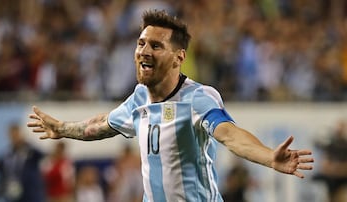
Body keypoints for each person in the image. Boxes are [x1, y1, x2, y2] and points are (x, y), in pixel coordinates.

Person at [27, 10, 314, 202]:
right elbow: (101, 125)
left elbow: (229, 134)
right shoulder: (139, 97)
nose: (144, 51)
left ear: (179, 57)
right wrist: (62, 128)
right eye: (141, 43)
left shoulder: (198, 98)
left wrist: (268, 157)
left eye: (155, 46)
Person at [0, 123, 46, 202]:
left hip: (31, 193)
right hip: (13, 193)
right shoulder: (8, 154)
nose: (14, 137)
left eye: (16, 134)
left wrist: (27, 143)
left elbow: (42, 155)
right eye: (12, 134)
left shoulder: (29, 150)